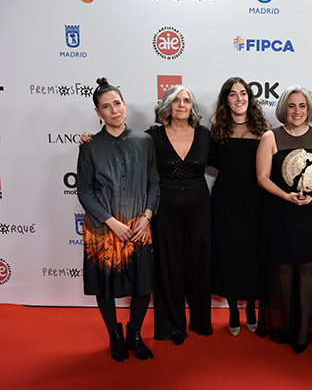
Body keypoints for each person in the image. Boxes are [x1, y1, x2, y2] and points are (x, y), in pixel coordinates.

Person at [77, 77, 160, 362]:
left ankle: (134, 335)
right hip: (103, 230)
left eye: (117, 103)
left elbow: (154, 182)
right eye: (106, 107)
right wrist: (110, 222)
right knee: (105, 286)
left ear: (125, 105)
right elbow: (84, 190)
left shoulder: (145, 141)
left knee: (143, 283)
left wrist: (147, 216)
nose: (114, 110)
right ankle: (114, 335)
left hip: (139, 227)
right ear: (98, 112)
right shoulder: (90, 147)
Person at [255, 85, 312, 354]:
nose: (297, 111)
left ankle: (302, 333)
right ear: (283, 109)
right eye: (291, 106)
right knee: (283, 271)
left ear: (309, 109)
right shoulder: (270, 137)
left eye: (302, 106)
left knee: (309, 270)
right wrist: (286, 196)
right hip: (281, 213)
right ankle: (286, 328)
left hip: (310, 214)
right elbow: (262, 178)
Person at [147, 85, 213, 344]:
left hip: (199, 208)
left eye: (186, 100)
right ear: (167, 106)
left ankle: (200, 321)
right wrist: (91, 140)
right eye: (176, 101)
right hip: (165, 209)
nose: (182, 105)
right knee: (168, 265)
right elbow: (124, 146)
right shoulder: (152, 136)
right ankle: (171, 326)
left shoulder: (204, 134)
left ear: (192, 106)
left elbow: (231, 157)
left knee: (200, 265)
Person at [209, 77, 270, 336]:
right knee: (229, 255)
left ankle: (252, 309)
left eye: (243, 93)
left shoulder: (264, 128)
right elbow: (211, 161)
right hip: (226, 201)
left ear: (249, 97)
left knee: (254, 255)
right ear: (226, 99)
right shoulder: (217, 130)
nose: (239, 98)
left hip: (256, 201)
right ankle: (233, 310)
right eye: (233, 94)